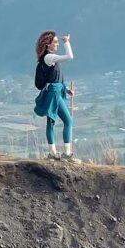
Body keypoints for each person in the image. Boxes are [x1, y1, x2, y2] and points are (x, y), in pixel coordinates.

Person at [34, 30, 80, 162]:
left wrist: (65, 89)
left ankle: (53, 153)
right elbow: (69, 56)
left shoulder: (49, 58)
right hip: (54, 93)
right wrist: (67, 42)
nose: (57, 44)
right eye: (55, 42)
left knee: (51, 122)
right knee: (68, 121)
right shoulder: (49, 57)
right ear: (47, 45)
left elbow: (54, 78)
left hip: (55, 91)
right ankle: (67, 154)